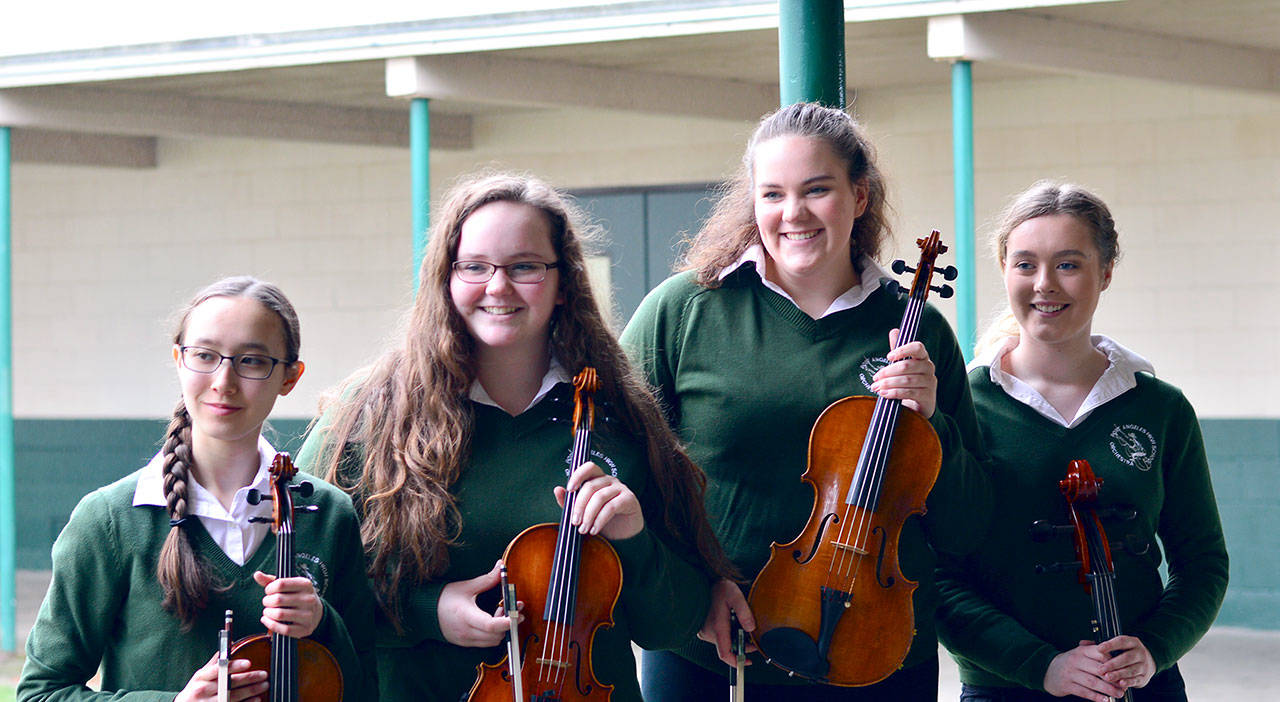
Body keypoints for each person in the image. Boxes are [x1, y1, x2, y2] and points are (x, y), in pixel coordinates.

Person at [297, 172, 736, 702]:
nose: (498, 287)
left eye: (524, 266)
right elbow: (304, 593)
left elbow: (674, 626)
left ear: (562, 280)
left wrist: (634, 538)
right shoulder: (367, 418)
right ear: (445, 277)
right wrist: (426, 612)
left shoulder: (622, 419)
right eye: (475, 267)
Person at [620, 101, 991, 700]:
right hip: (712, 652)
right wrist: (692, 589)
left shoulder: (918, 327)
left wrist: (935, 423)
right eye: (772, 194)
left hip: (875, 648)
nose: (793, 213)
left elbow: (969, 525)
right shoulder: (681, 310)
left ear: (860, 195)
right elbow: (618, 463)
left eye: (817, 189)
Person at [934, 181, 1229, 702]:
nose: (1044, 284)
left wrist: (1154, 649)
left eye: (1068, 264)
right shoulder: (960, 408)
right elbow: (934, 575)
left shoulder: (1160, 408)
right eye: (1025, 264)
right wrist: (1040, 666)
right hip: (1004, 689)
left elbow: (1203, 561)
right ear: (1004, 270)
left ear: (1106, 272)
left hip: (1141, 686)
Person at [18, 276, 377, 702]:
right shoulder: (109, 520)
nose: (224, 381)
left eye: (252, 361)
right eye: (205, 355)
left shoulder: (329, 513)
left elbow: (366, 688)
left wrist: (322, 623)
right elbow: (42, 692)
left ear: (290, 377)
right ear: (179, 360)